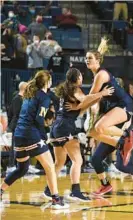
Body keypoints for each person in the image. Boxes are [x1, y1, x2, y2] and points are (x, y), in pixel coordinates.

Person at [65, 38, 133, 195]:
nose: (86, 60)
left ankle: (126, 136)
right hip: (117, 106)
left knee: (99, 127)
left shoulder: (101, 75)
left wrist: (76, 108)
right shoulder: (97, 75)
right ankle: (119, 147)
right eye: (85, 58)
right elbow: (94, 99)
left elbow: (90, 97)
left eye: (90, 58)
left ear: (98, 60)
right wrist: (81, 110)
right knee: (92, 132)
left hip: (124, 105)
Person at [0, 70, 69, 209]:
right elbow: (39, 119)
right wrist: (44, 136)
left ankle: (0, 190)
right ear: (47, 82)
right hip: (30, 134)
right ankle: (56, 199)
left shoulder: (28, 94)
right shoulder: (44, 97)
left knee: (22, 169)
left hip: (19, 135)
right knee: (50, 166)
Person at [42, 68, 113, 202]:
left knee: (59, 162)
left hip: (57, 126)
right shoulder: (75, 89)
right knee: (77, 160)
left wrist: (99, 96)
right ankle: (75, 191)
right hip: (65, 126)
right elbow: (85, 99)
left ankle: (48, 190)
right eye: (80, 75)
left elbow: (82, 105)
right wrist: (102, 92)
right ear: (77, 77)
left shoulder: (67, 89)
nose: (82, 78)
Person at [6, 82, 28, 172]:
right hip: (16, 127)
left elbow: (10, 113)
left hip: (17, 126)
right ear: (25, 88)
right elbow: (18, 114)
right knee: (14, 147)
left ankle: (22, 165)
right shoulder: (18, 99)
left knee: (21, 147)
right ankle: (11, 166)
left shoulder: (17, 99)